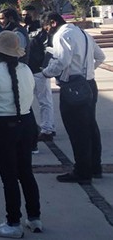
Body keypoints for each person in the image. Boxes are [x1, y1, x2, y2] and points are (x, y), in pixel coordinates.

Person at [0, 30, 42, 237]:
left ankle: (13, 222)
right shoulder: (27, 71)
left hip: (2, 126)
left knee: (9, 177)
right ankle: (34, 217)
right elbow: (29, 96)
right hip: (26, 123)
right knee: (26, 173)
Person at [41, 12, 105, 184]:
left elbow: (61, 61)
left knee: (78, 131)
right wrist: (87, 71)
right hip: (90, 84)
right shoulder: (83, 33)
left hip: (72, 87)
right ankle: (95, 167)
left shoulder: (62, 35)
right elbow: (100, 57)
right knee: (91, 127)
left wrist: (46, 73)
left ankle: (82, 172)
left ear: (53, 23)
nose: (47, 31)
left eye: (46, 27)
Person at [22, 6, 55, 142]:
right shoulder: (25, 30)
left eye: (27, 14)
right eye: (23, 14)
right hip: (27, 69)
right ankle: (42, 128)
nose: (25, 17)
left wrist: (45, 68)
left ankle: (48, 129)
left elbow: (49, 50)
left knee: (44, 101)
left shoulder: (43, 31)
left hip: (39, 70)